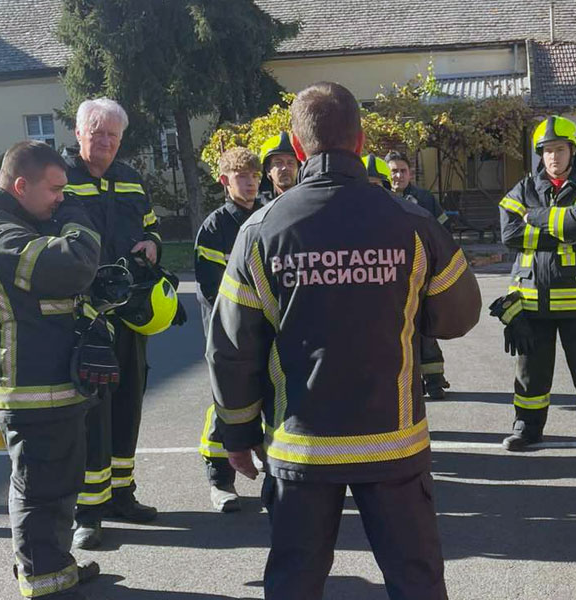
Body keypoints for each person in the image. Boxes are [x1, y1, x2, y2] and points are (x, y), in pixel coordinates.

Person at [206, 81, 481, 599]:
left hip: (301, 448)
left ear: (296, 144)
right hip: (393, 443)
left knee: (295, 582)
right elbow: (459, 316)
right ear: (360, 142)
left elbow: (231, 347)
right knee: (416, 580)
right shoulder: (412, 221)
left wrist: (237, 435)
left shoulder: (260, 231)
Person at [0, 141, 107, 599]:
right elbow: (73, 264)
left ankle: (49, 567)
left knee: (52, 487)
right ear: (20, 185)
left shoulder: (8, 222)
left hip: (41, 385)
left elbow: (40, 299)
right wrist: (78, 217)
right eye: (56, 189)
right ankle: (44, 581)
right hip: (30, 389)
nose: (62, 197)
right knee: (41, 491)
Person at [63, 98, 162, 549]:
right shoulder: (60, 179)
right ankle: (90, 510)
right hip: (83, 318)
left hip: (128, 314)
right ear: (79, 131)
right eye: (97, 133)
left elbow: (150, 226)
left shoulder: (130, 179)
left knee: (128, 405)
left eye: (113, 137)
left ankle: (123, 494)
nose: (104, 143)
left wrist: (154, 244)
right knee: (91, 416)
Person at [496, 116, 576, 455]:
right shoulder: (523, 188)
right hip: (530, 301)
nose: (553, 157)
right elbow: (509, 235)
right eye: (547, 151)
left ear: (572, 151)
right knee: (530, 372)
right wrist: (558, 233)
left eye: (559, 149)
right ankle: (527, 428)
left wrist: (533, 218)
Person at [194, 147, 263, 512]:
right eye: (241, 176)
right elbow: (212, 288)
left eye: (254, 175)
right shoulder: (215, 227)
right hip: (226, 332)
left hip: (262, 330)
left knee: (266, 397)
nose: (250, 182)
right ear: (224, 181)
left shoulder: (268, 216)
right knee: (225, 403)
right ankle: (220, 481)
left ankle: (272, 475)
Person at [386, 150, 451, 399]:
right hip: (392, 277)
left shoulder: (424, 198)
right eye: (394, 171)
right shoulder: (379, 197)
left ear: (410, 173)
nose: (399, 175)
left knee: (426, 329)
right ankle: (406, 383)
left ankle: (435, 381)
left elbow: (443, 230)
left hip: (422, 274)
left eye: (403, 171)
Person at [258, 132, 299, 203]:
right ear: (268, 169)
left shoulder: (310, 200)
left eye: (290, 163)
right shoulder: (258, 205)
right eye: (279, 163)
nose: (285, 168)